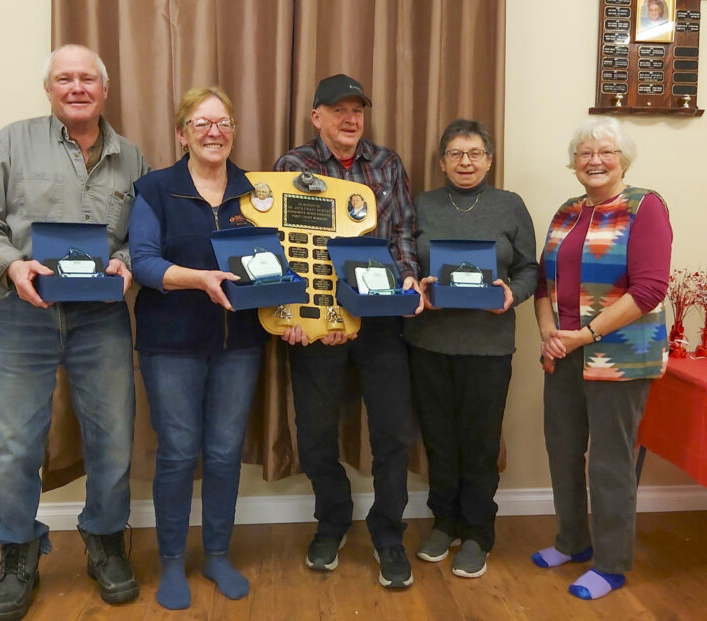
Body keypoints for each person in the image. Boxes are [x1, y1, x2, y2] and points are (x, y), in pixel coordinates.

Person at [0, 44, 148, 620]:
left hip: (101, 318)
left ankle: (106, 542)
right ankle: (18, 552)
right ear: (50, 89)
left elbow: (144, 236)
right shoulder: (11, 143)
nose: (77, 87)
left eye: (88, 78)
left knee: (113, 436)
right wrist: (12, 264)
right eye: (65, 78)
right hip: (22, 314)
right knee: (14, 444)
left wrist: (129, 262)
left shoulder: (131, 158)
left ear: (104, 89)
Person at [274, 73, 422, 589]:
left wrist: (406, 279)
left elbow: (403, 232)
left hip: (380, 322)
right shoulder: (293, 167)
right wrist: (295, 317)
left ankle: (388, 533)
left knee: (393, 435)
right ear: (317, 116)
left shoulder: (387, 163)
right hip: (315, 324)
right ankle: (333, 520)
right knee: (315, 436)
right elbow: (284, 246)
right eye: (338, 109)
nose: (350, 118)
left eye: (357, 109)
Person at [128, 87, 266, 610]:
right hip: (171, 346)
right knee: (180, 453)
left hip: (240, 345)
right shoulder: (156, 189)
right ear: (181, 132)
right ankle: (170, 562)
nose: (215, 132)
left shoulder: (256, 191)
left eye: (224, 122)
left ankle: (216, 554)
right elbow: (142, 262)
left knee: (226, 452)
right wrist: (198, 279)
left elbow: (279, 259)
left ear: (233, 130)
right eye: (202, 123)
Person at [531, 117, 671, 600]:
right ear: (574, 164)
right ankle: (572, 542)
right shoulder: (567, 211)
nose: (594, 160)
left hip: (619, 358)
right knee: (563, 452)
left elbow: (650, 290)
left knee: (609, 464)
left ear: (623, 160)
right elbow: (541, 279)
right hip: (563, 353)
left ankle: (611, 564)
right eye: (585, 153)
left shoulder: (644, 206)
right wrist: (550, 332)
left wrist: (583, 335)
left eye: (605, 152)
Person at [404, 119, 538, 578]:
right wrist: (415, 285)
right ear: (441, 162)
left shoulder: (510, 206)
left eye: (475, 153)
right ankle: (444, 523)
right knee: (439, 441)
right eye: (456, 154)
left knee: (480, 445)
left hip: (488, 346)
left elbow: (530, 270)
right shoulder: (421, 204)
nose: (466, 162)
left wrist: (511, 295)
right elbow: (404, 258)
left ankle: (478, 531)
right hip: (428, 345)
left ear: (489, 160)